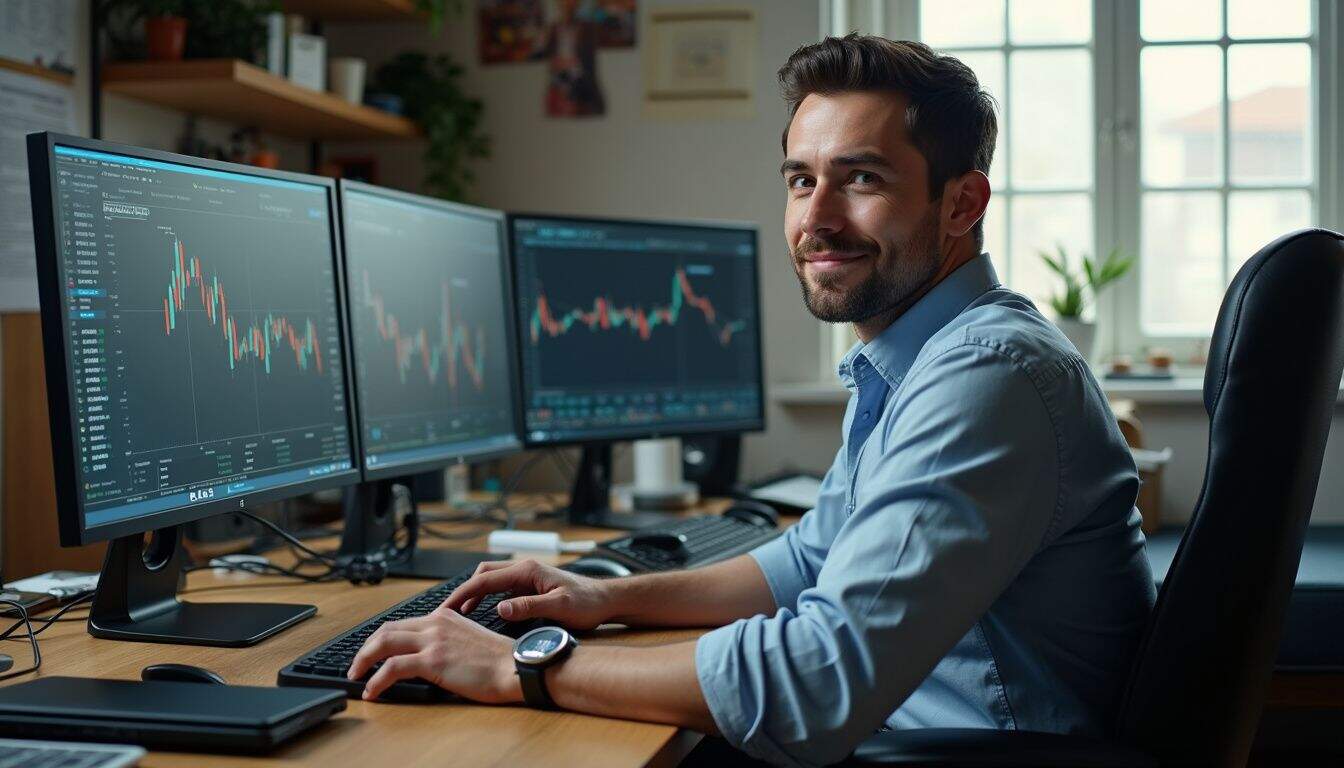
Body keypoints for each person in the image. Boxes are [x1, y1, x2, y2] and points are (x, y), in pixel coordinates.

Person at [346, 35, 1156, 767]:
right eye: (802, 180)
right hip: (906, 731)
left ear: (962, 204)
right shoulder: (913, 356)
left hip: (973, 749)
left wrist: (517, 664)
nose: (816, 219)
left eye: (861, 178)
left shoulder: (986, 375)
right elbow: (810, 560)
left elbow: (815, 683)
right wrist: (601, 597)